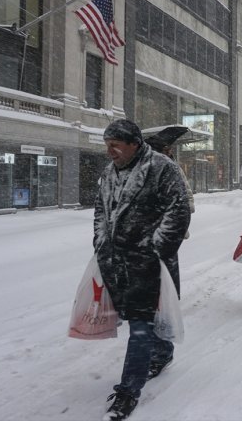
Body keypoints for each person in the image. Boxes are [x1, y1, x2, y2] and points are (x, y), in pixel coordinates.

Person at [94, 119, 191, 420]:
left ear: (134, 144)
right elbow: (101, 211)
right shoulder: (110, 173)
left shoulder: (162, 168)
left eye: (115, 145)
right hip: (117, 260)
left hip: (150, 262)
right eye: (107, 145)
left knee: (140, 324)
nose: (110, 151)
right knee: (144, 317)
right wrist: (100, 242)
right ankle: (162, 353)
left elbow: (179, 210)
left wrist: (155, 249)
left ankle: (128, 391)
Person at [146, 135, 195, 238]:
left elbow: (184, 188)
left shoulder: (172, 166)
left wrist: (188, 204)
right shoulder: (148, 168)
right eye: (167, 149)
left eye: (169, 149)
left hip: (168, 220)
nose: (170, 152)